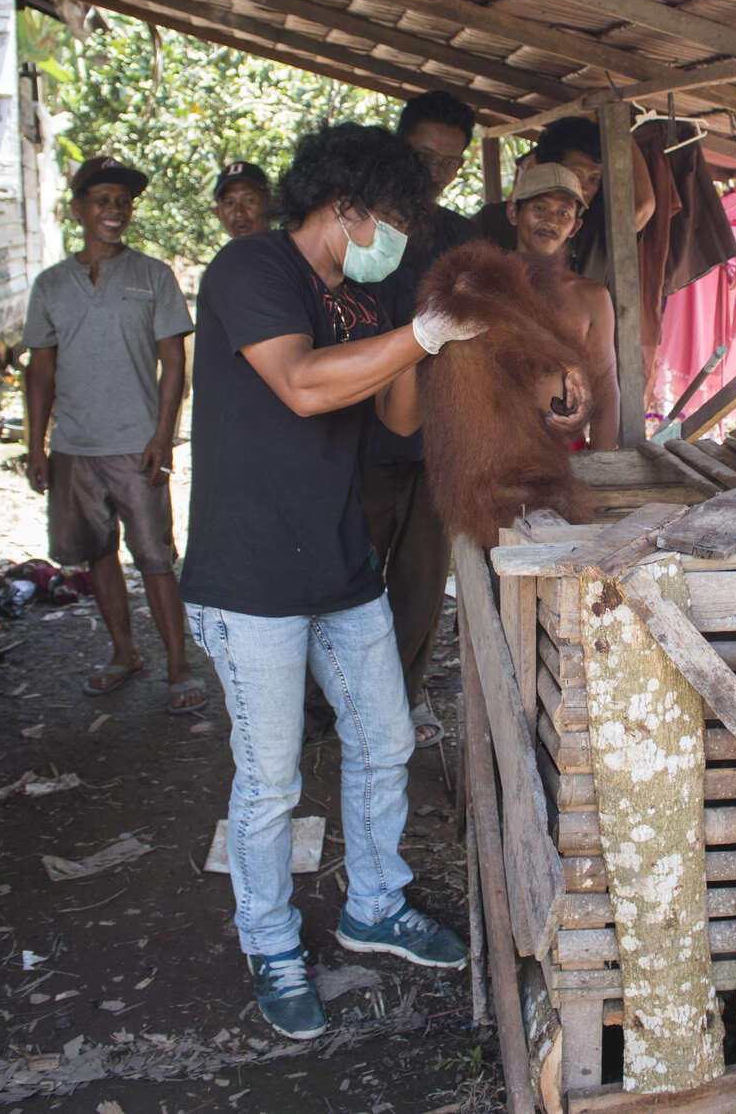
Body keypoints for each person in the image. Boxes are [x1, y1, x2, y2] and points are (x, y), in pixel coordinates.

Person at [179, 122, 479, 1042]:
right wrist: (416, 332)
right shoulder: (249, 271)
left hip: (342, 563)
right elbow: (304, 386)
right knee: (269, 779)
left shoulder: (364, 299)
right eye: (388, 215)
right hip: (249, 573)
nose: (393, 233)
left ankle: (375, 904)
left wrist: (419, 338)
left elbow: (391, 422)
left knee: (384, 741)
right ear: (343, 205)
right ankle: (270, 940)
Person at [23, 155, 207, 714]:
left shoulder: (152, 276)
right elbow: (41, 370)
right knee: (96, 553)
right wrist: (36, 446)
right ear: (78, 209)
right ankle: (124, 653)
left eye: (122, 203)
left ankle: (179, 667)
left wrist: (163, 436)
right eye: (102, 201)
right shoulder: (51, 285)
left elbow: (173, 364)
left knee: (154, 556)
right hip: (74, 448)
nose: (114, 211)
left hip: (137, 445)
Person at [364, 90, 478, 748]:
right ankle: (329, 703)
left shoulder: (462, 237)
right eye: (422, 155)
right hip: (358, 439)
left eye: (448, 162)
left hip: (438, 442)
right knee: (351, 577)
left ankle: (404, 694)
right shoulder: (361, 227)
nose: (434, 170)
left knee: (420, 582)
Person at [509, 162, 620, 449]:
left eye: (563, 213)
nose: (551, 221)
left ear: (575, 226)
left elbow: (605, 391)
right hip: (496, 452)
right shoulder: (481, 284)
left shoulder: (591, 297)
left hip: (565, 454)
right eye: (539, 208)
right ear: (513, 212)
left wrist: (604, 472)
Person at [477, 114, 655, 269]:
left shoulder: (598, 228)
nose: (584, 187)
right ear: (513, 214)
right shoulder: (493, 220)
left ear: (575, 227)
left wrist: (612, 118)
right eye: (575, 175)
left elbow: (643, 206)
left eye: (593, 179)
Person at [213, 161, 270, 239]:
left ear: (269, 204)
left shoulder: (288, 248)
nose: (239, 213)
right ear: (218, 213)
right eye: (230, 203)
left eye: (249, 200)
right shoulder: (227, 251)